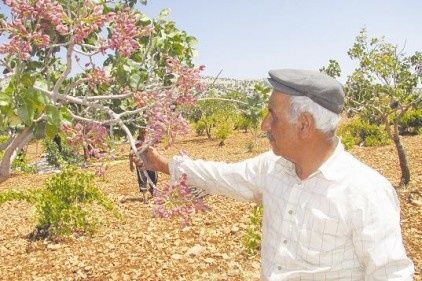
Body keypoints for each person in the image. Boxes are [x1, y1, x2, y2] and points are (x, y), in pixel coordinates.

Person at [133, 69, 414, 280]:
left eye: (273, 115)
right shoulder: (272, 168)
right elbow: (221, 176)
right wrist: (160, 164)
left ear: (304, 125)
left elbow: (390, 274)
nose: (264, 124)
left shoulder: (365, 191)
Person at [129, 128, 158, 203]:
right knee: (142, 179)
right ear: (139, 133)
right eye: (142, 132)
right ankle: (145, 197)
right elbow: (131, 154)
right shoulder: (135, 142)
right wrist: (131, 164)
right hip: (141, 163)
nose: (143, 134)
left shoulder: (149, 140)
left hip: (151, 163)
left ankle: (152, 190)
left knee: (154, 178)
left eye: (145, 132)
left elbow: (154, 150)